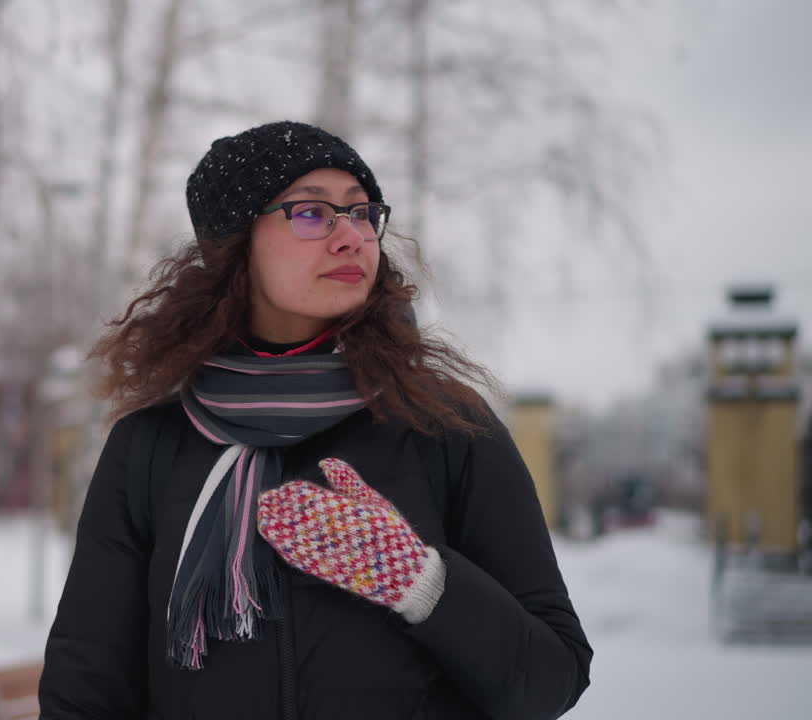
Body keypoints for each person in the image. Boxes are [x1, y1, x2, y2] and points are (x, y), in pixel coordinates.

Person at [38, 121, 591, 720]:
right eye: (311, 213)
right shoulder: (152, 445)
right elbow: (86, 688)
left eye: (361, 213)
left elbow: (552, 680)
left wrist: (423, 583)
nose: (351, 236)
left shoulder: (445, 425)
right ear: (236, 244)